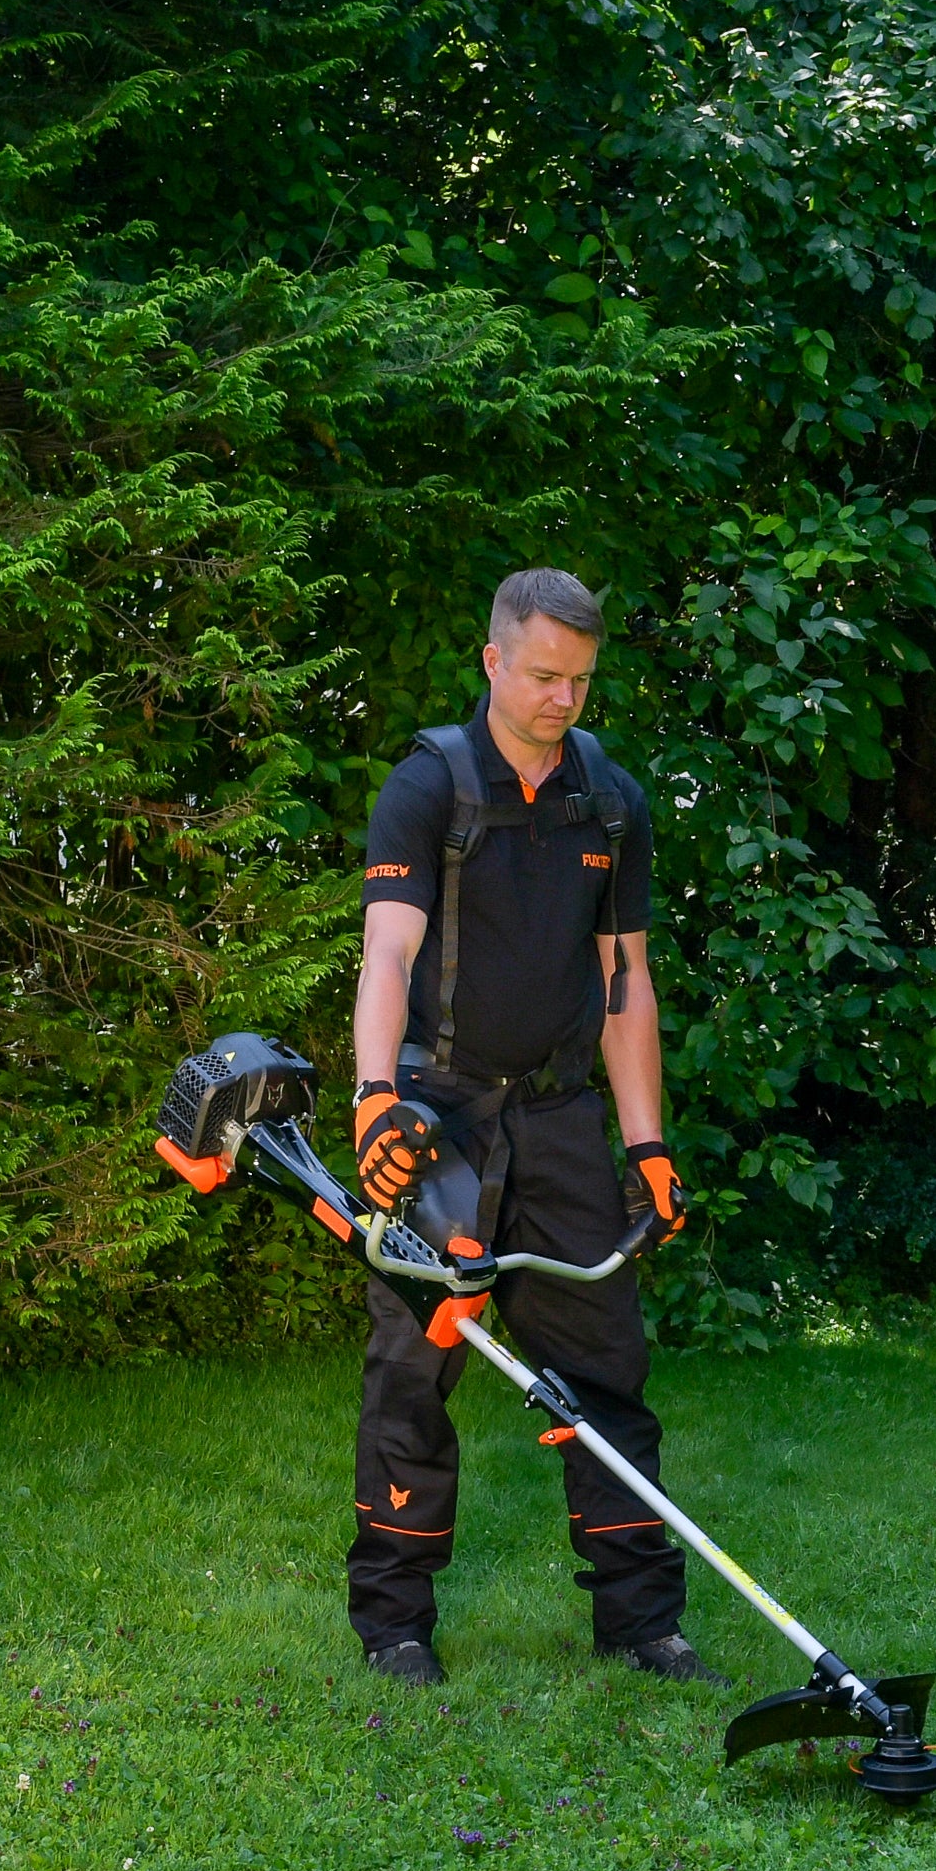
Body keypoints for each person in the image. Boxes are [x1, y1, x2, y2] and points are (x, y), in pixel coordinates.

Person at [344, 568, 704, 1689]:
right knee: (414, 1372)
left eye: (581, 680)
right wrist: (374, 1097)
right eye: (545, 674)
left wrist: (646, 1145)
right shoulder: (429, 787)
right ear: (494, 660)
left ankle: (641, 1624)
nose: (563, 698)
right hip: (439, 1116)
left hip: (558, 1118)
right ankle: (395, 1626)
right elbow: (388, 953)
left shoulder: (612, 801)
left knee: (608, 1371)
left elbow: (625, 983)